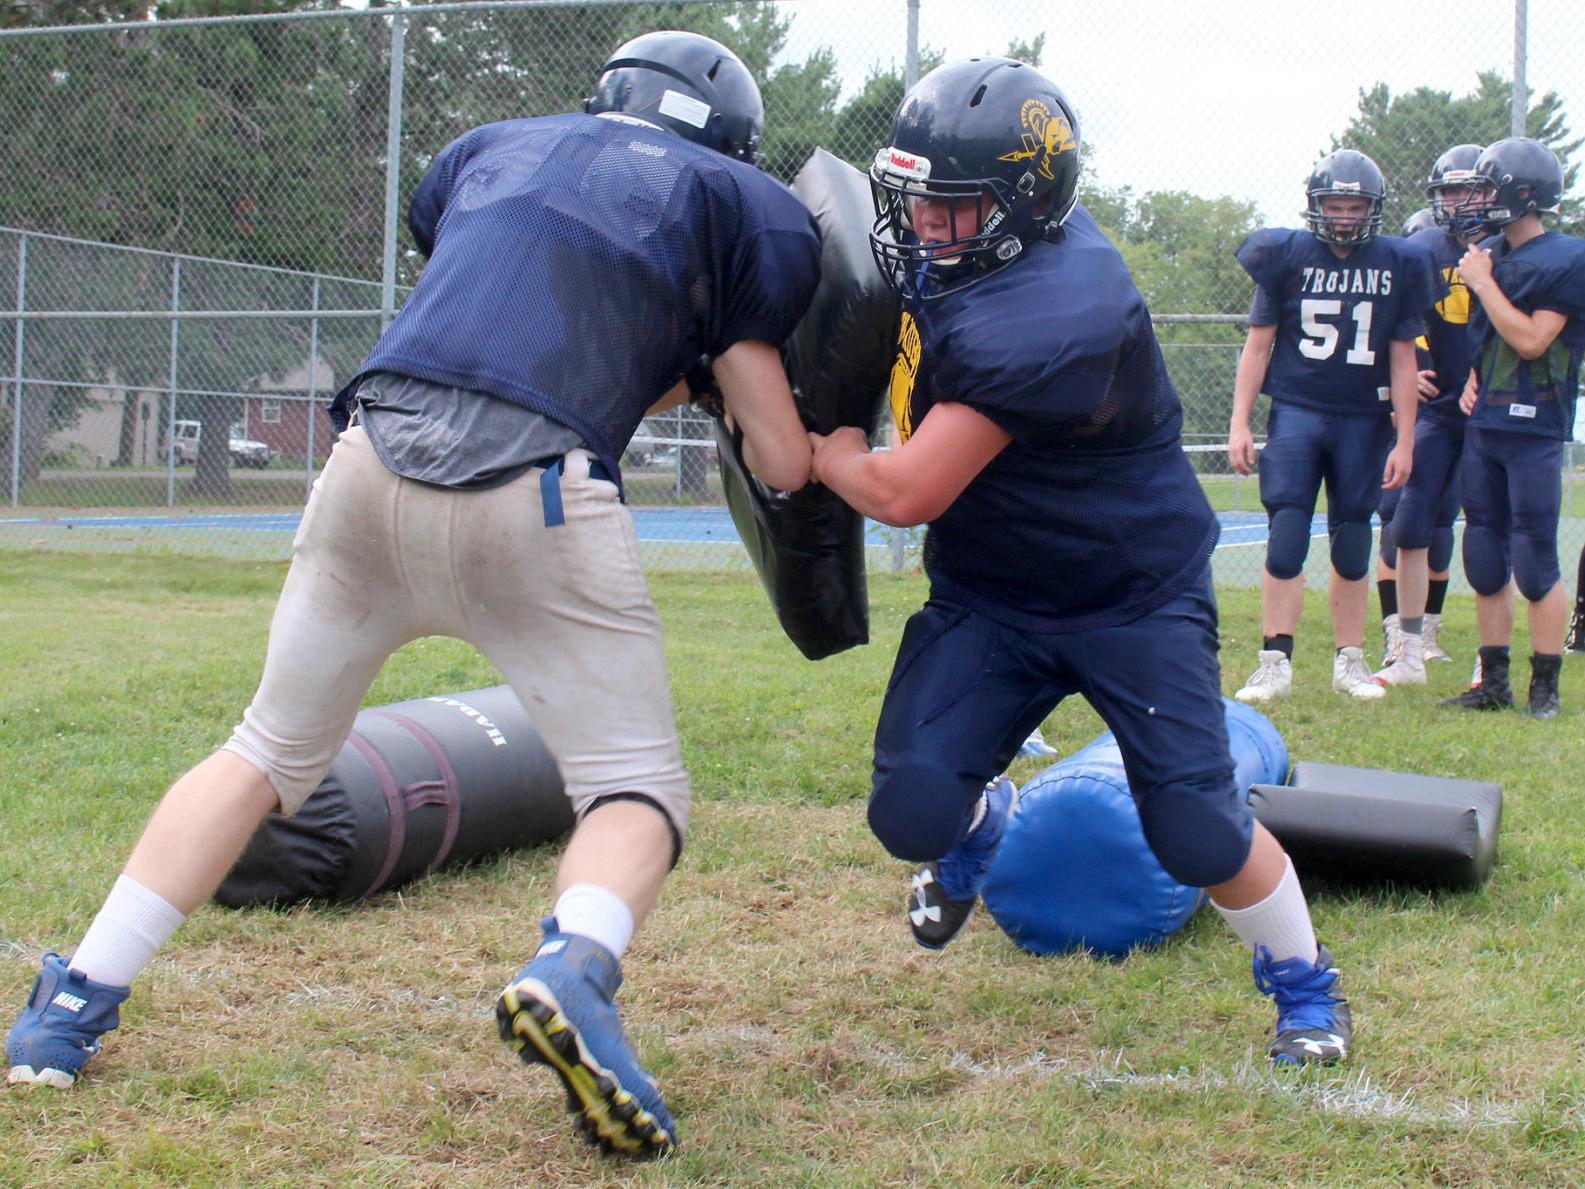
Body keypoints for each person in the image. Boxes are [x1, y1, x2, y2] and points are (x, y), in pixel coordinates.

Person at [6, 30, 820, 1159]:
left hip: (366, 462)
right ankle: (571, 965)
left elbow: (529, 301)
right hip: (535, 494)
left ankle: (69, 1007)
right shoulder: (741, 203)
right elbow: (777, 459)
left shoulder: (495, 149)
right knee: (635, 790)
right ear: (731, 140)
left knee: (263, 751)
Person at [811, 57, 1351, 1066]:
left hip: (1127, 593)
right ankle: (979, 827)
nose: (922, 227)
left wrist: (819, 452)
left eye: (953, 208)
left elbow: (906, 490)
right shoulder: (967, 256)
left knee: (1195, 827)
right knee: (910, 808)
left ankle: (1305, 985)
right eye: (915, 200)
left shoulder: (1061, 308)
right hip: (991, 591)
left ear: (1025, 203)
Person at [1226, 149, 1440, 703]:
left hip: (1364, 420)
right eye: (1336, 205)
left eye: (1355, 205)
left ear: (1374, 208)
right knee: (1287, 538)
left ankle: (1351, 660)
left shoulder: (1398, 261)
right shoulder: (1286, 255)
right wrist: (1239, 423)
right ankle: (1274, 661)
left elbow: (1402, 357)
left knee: (1352, 540)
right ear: (1316, 206)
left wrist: (1406, 438)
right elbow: (1258, 344)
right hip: (1297, 412)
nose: (1345, 216)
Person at [1439, 137, 1585, 719]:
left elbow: (1531, 340)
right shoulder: (1489, 251)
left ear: (1523, 195)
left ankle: (1543, 687)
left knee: (1533, 557)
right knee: (1483, 552)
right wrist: (1473, 376)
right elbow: (1491, 341)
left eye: (1488, 186)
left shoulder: (1565, 257)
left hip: (1535, 427)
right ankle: (1491, 682)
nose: (1477, 198)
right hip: (1486, 424)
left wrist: (1482, 282)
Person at [1373, 147, 1487, 686]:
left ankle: (1493, 656)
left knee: (1494, 527)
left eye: (1469, 190)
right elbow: (1380, 322)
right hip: (1434, 411)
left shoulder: (1508, 250)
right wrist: (1402, 372)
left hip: (1492, 409)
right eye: (1447, 192)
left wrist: (1483, 374)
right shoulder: (1419, 249)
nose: (1457, 202)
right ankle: (1408, 648)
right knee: (1409, 521)